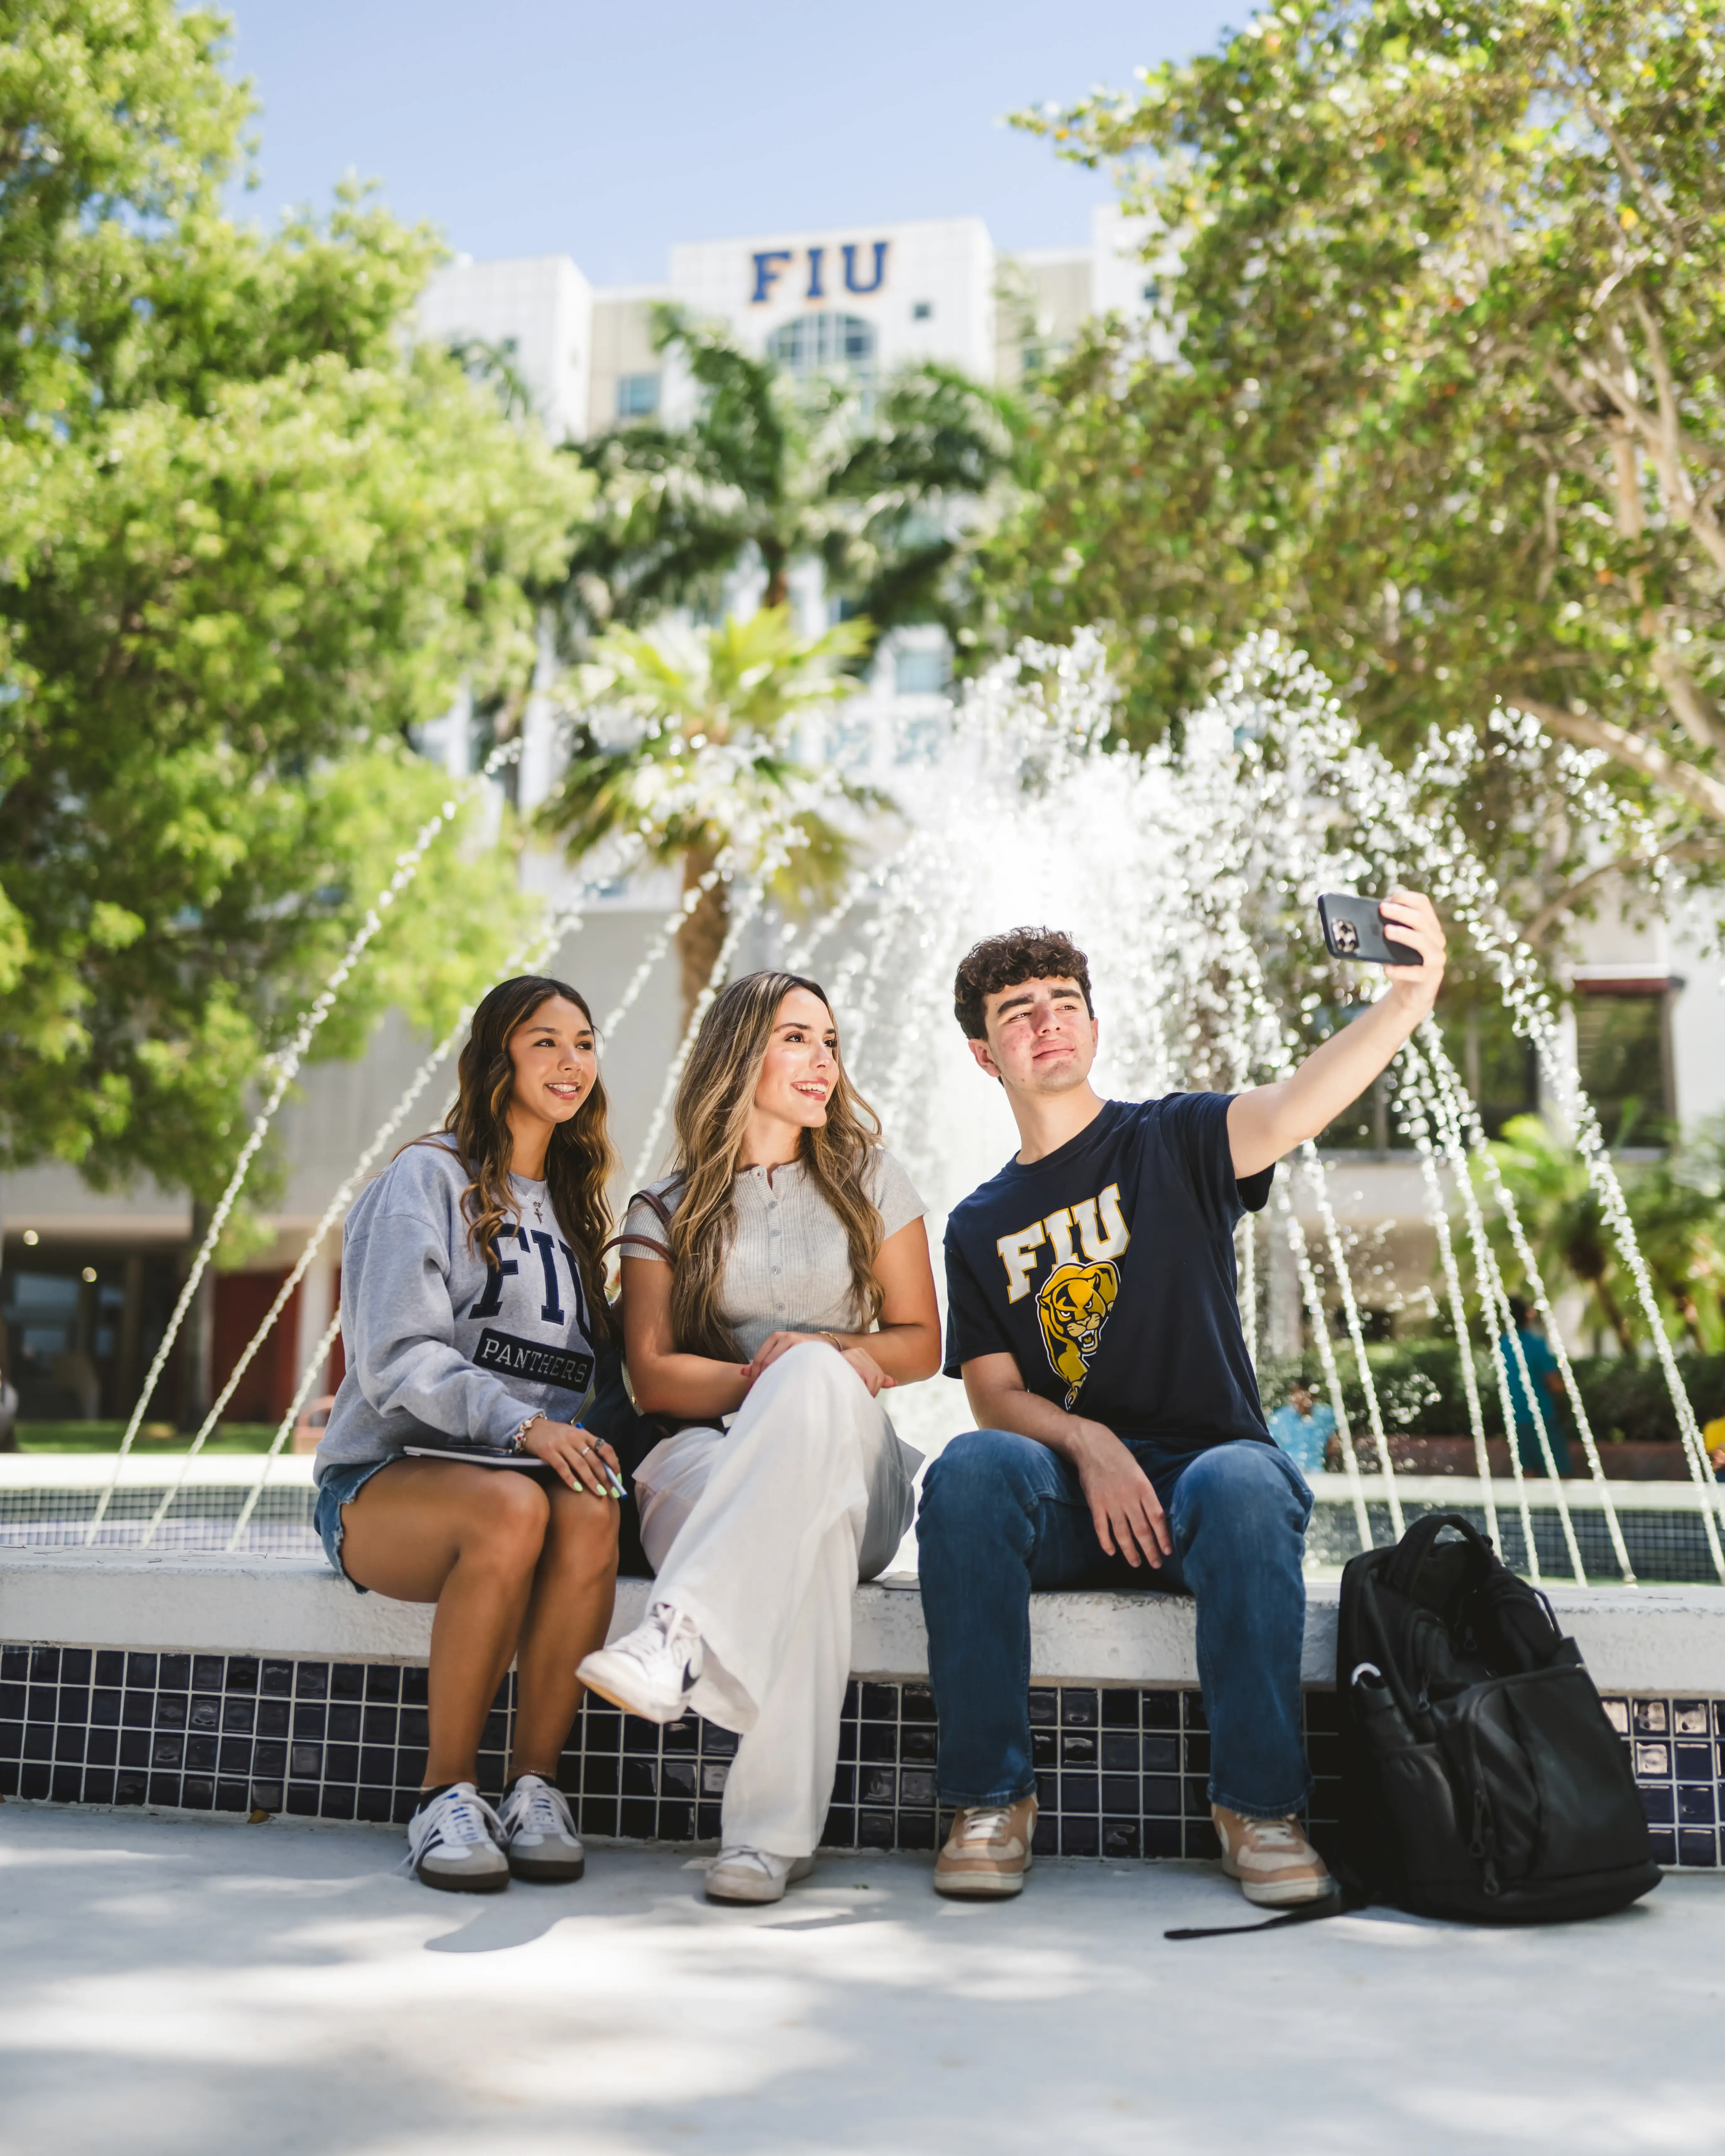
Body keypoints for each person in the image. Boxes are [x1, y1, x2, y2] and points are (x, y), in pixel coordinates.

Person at [916, 893, 1447, 1908]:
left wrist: (1403, 1004)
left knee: (1252, 1483)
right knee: (971, 1472)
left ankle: (1259, 1810)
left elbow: (1295, 1104)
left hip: (1205, 1490)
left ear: (1094, 1024)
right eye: (1017, 1012)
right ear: (986, 1056)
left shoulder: (1176, 1139)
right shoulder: (979, 1221)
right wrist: (1087, 1443)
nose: (1045, 1021)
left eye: (1063, 1001)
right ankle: (988, 1800)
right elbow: (991, 1397)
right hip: (1077, 1499)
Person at [577, 971, 941, 1904]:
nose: (822, 1061)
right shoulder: (661, 1210)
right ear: (741, 1053)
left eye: (829, 1041)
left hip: (862, 1464)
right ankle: (765, 1841)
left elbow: (920, 1346)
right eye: (796, 1038)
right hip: (705, 1460)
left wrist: (813, 1364)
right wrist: (765, 1378)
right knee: (802, 1530)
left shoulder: (870, 1179)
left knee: (819, 1381)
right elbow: (652, 1374)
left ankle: (679, 1634)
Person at [312, 975, 622, 1894]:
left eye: (583, 1042)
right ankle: (444, 1792)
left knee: (593, 1507)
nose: (570, 1062)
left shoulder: (569, 1205)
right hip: (381, 1486)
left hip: (512, 1475)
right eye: (543, 1042)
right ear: (498, 1058)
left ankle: (533, 1788)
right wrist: (519, 1424)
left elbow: (586, 1377)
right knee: (510, 1505)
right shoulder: (426, 1177)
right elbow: (394, 1359)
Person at [1500, 1295, 1571, 1478]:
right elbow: (1555, 1385)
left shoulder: (1502, 1345)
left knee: (1528, 1474)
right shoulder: (1535, 1344)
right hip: (1541, 1417)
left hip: (1515, 1419)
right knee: (1558, 1474)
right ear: (1528, 1315)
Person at [1266, 1381, 1335, 1481]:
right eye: (1297, 1394)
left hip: (1317, 1472)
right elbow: (1271, 1448)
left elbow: (1334, 1442)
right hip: (1288, 1473)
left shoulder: (1325, 1414)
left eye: (1304, 1394)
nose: (1301, 1399)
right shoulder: (1281, 1418)